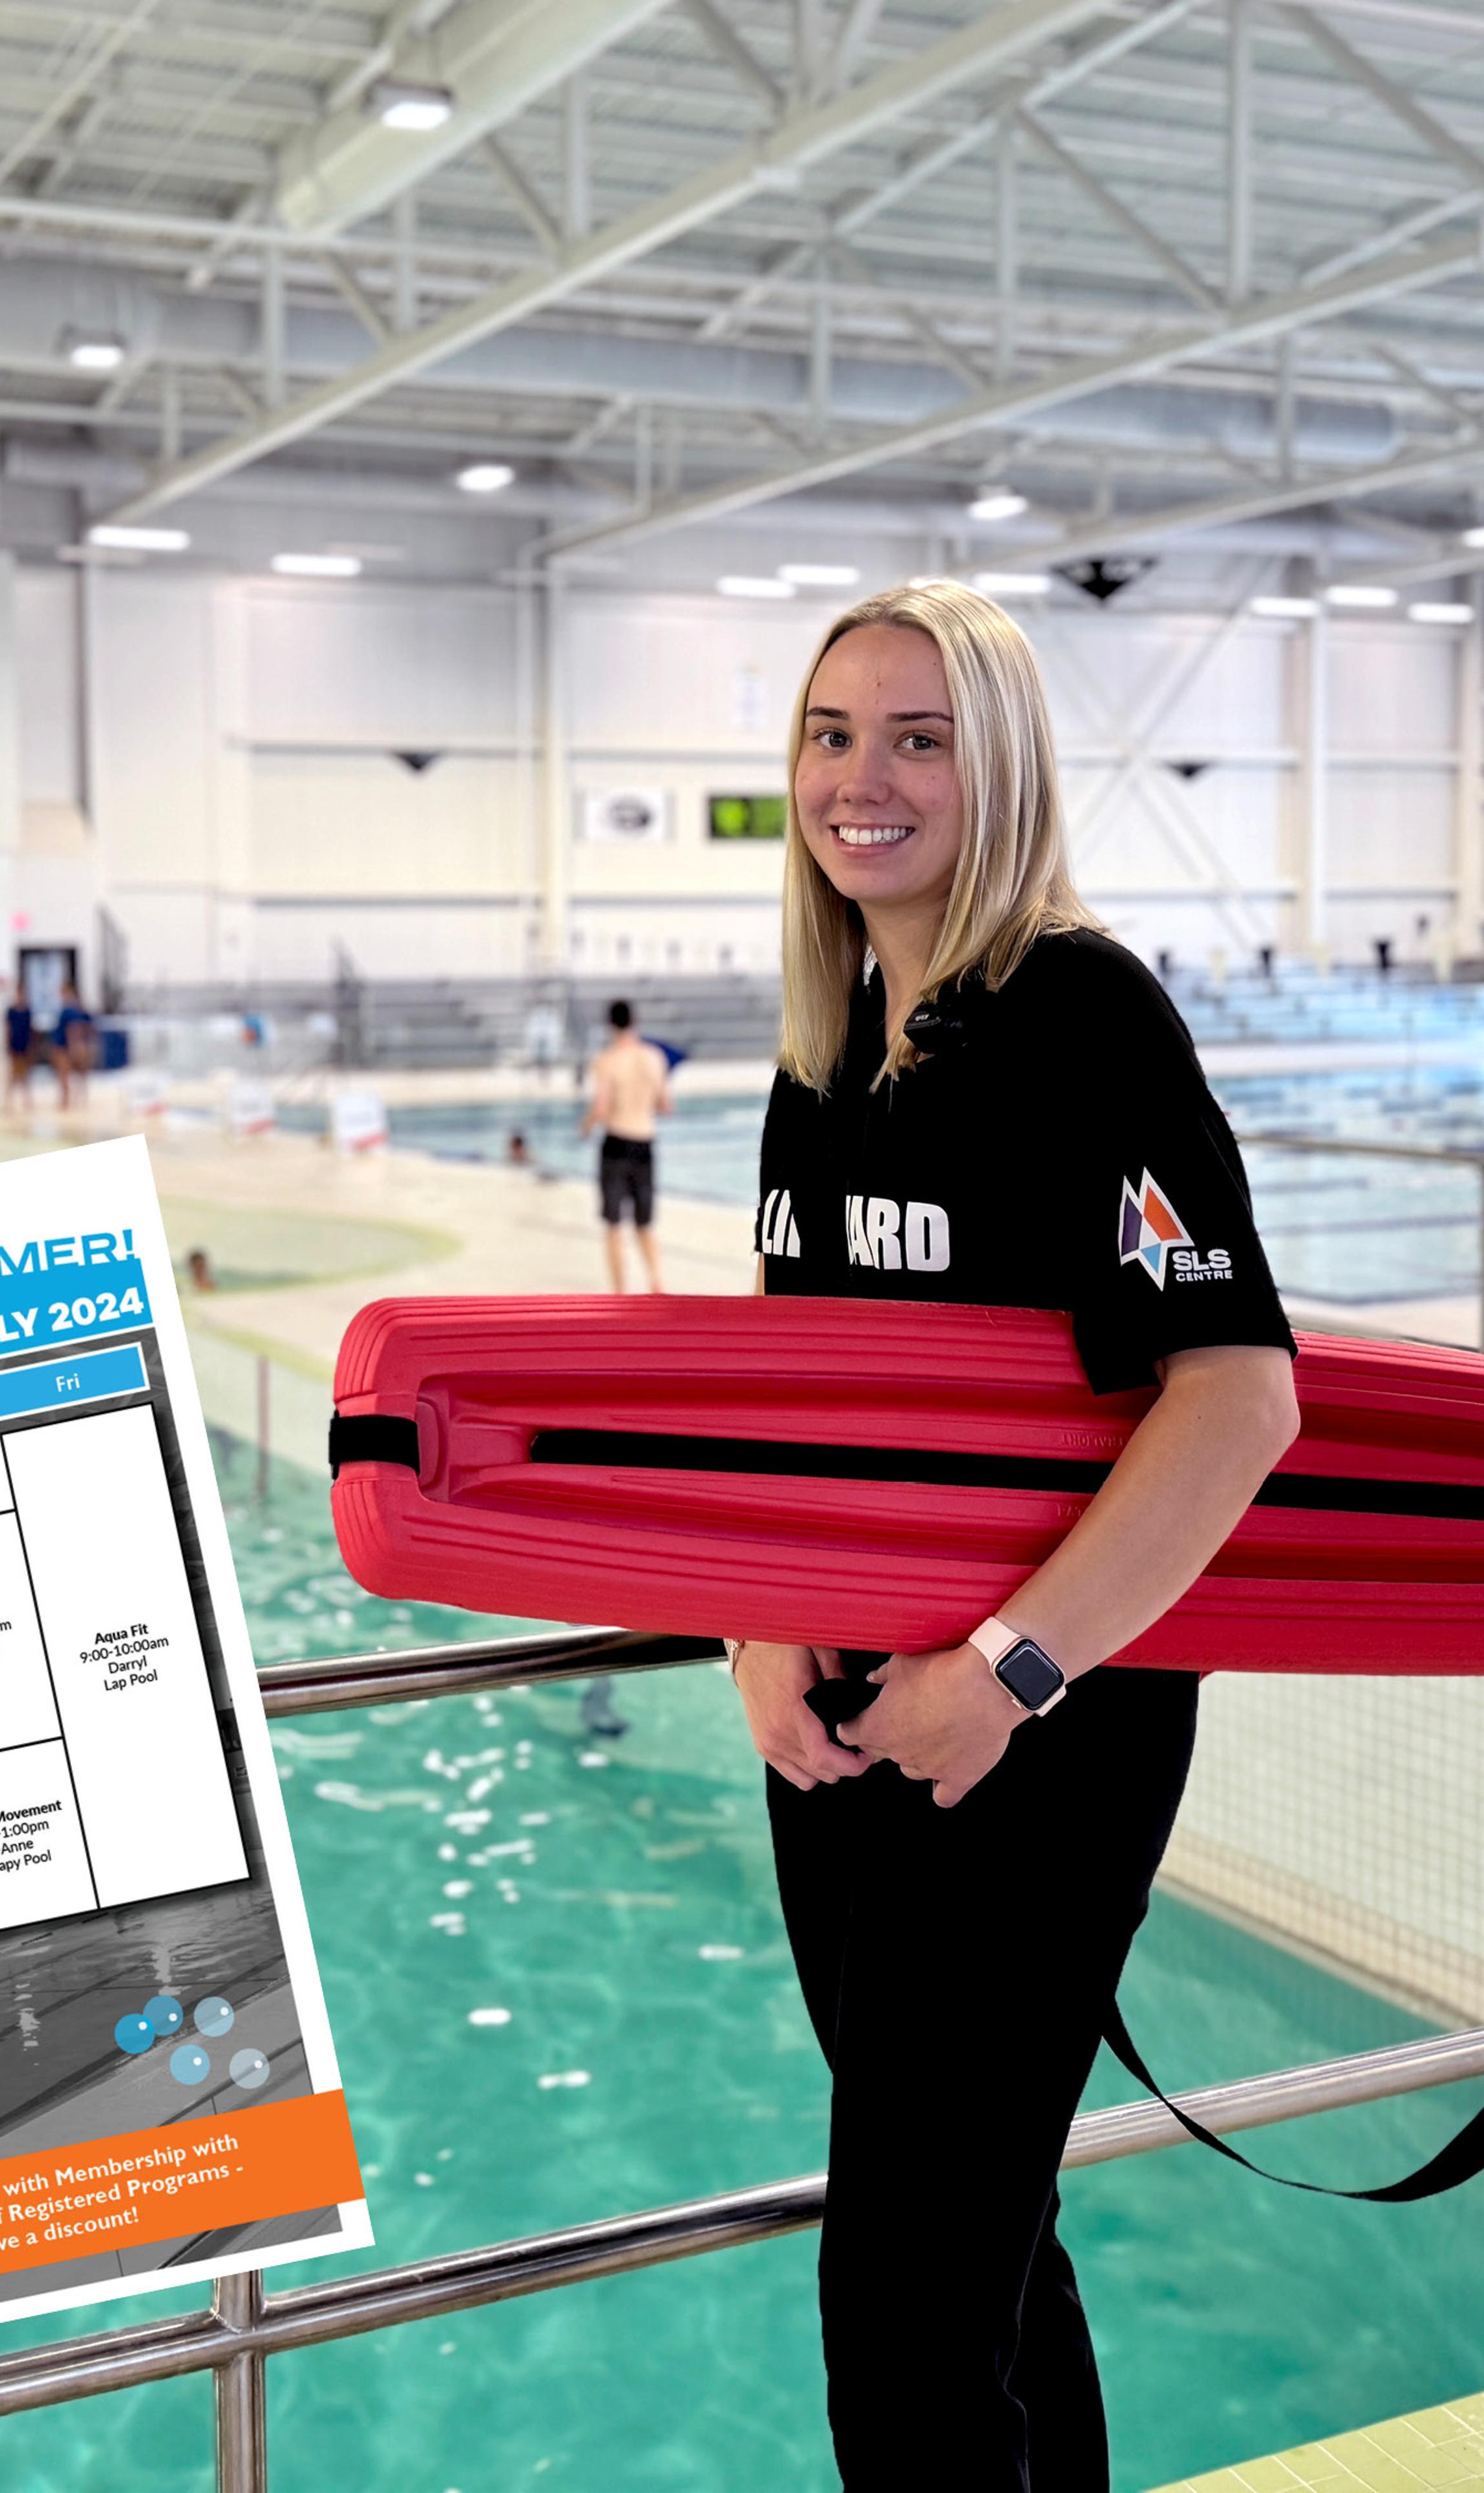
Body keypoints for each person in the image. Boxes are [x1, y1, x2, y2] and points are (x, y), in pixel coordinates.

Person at [727, 580, 1298, 2493]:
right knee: (977, 2257)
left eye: (914, 736)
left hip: (1038, 1740)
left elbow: (1231, 1393)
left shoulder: (1079, 1014)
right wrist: (752, 1622)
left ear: (1002, 766)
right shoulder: (825, 1046)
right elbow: (783, 1389)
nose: (857, 777)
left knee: (895, 2304)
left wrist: (1012, 1668)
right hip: (841, 1740)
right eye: (827, 732)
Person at [580, 999, 672, 1291]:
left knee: (614, 1224)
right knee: (645, 1223)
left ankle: (620, 1292)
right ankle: (656, 1281)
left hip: (617, 1144)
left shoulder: (607, 1061)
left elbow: (601, 1108)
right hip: (645, 1144)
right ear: (635, 1021)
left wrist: (585, 1127)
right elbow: (666, 1106)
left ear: (611, 1025)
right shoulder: (654, 1057)